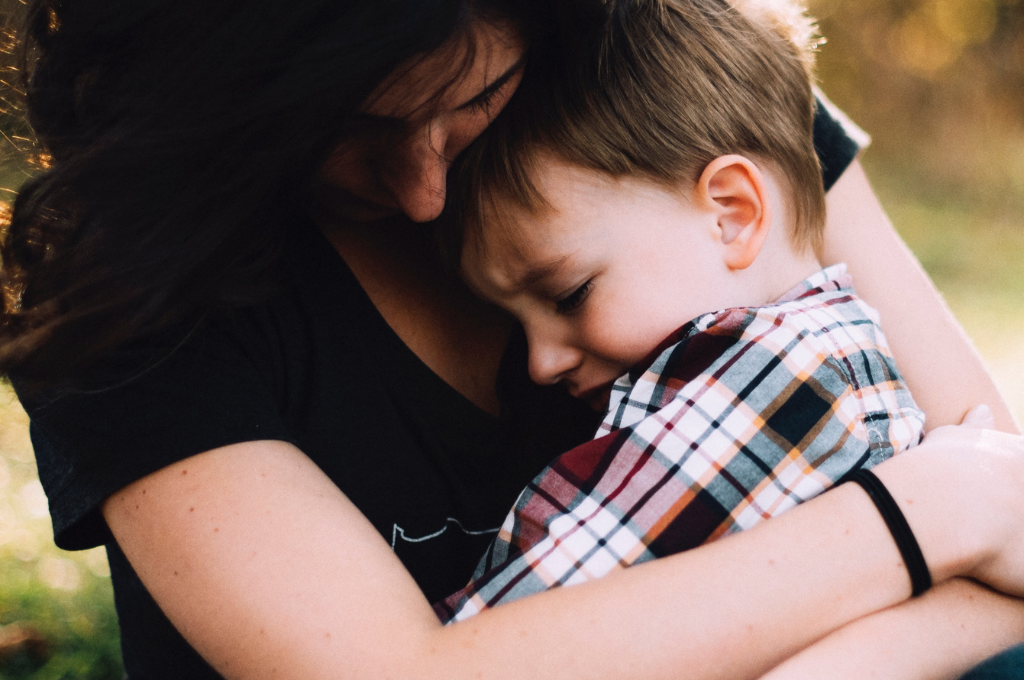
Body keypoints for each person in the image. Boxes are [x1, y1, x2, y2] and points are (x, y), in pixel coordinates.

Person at [1, 0, 1023, 678]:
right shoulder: (129, 278)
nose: (422, 193)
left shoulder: (682, 92)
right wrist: (918, 515)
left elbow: (1011, 547)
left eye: (470, 103)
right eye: (342, 132)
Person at [436, 0, 927, 622]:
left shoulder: (779, 379)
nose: (539, 363)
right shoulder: (824, 357)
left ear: (731, 214)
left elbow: (523, 623)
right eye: (515, 320)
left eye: (570, 294)